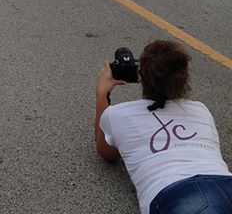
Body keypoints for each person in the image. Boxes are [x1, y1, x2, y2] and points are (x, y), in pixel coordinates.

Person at [95, 40, 232, 214]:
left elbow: (106, 152)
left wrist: (102, 93)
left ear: (140, 77)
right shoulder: (200, 109)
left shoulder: (118, 114)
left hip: (178, 191)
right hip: (226, 182)